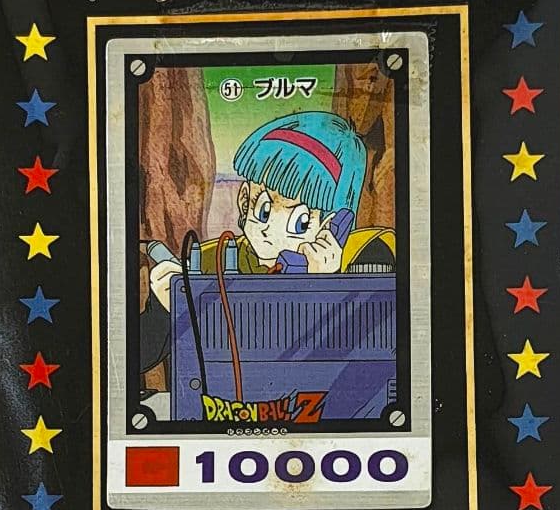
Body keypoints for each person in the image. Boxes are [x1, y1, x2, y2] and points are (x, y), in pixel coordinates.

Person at [140, 111, 395, 377]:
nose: (269, 229)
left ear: (331, 224)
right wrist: (162, 311)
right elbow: (133, 360)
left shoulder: (365, 257)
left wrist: (327, 287)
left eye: (300, 222)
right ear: (245, 200)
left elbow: (377, 363)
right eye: (263, 209)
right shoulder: (210, 261)